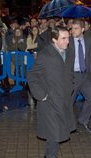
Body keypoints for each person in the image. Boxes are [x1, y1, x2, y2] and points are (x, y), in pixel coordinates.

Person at [27, 26, 76, 158]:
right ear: (54, 39)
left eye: (68, 38)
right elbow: (32, 77)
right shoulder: (45, 55)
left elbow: (70, 72)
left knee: (57, 134)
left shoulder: (70, 51)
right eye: (63, 38)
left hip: (64, 99)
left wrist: (71, 84)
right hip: (50, 101)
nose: (67, 41)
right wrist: (41, 95)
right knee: (54, 135)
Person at [68, 19, 91, 132]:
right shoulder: (67, 41)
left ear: (83, 29)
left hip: (85, 76)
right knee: (69, 102)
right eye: (72, 28)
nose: (73, 31)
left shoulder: (88, 40)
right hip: (72, 76)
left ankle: (83, 120)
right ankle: (67, 126)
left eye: (76, 28)